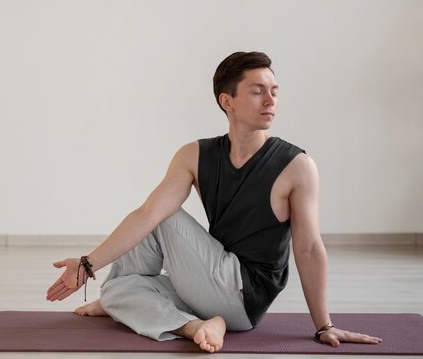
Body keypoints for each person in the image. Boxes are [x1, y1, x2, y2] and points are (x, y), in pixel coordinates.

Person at [46, 51, 382, 353]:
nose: (271, 100)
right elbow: (146, 213)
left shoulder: (297, 166)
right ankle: (195, 325)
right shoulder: (195, 154)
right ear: (227, 101)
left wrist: (324, 325)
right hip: (210, 282)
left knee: (163, 216)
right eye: (258, 90)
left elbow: (308, 248)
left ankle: (168, 312)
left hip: (245, 295)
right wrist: (88, 265)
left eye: (274, 91)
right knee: (117, 289)